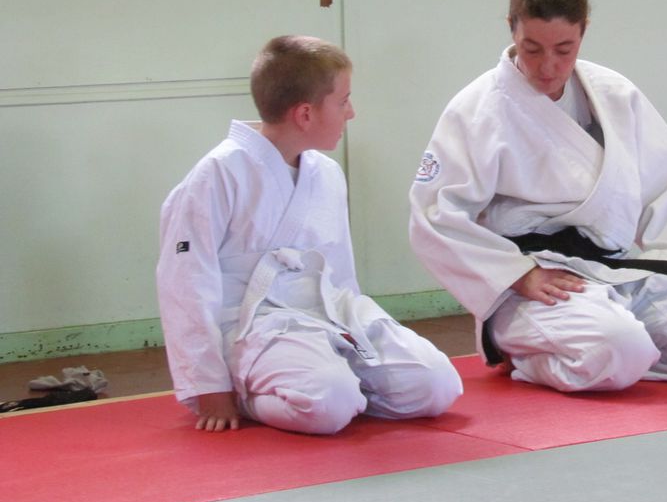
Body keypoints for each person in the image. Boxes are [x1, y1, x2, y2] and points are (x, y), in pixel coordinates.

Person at [409, 0, 667, 393]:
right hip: (536, 281)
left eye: (564, 49)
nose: (547, 66)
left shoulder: (614, 93)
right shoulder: (477, 108)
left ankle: (612, 350)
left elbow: (666, 180)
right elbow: (434, 217)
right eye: (532, 48)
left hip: (615, 268)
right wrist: (517, 275)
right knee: (619, 350)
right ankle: (530, 354)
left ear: (584, 32)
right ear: (511, 28)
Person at [157, 35, 462, 434]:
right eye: (343, 101)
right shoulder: (217, 175)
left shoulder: (327, 175)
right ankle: (257, 390)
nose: (351, 112)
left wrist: (355, 331)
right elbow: (184, 284)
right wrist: (208, 385)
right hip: (253, 326)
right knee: (329, 406)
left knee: (436, 385)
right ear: (305, 114)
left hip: (326, 313)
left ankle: (340, 382)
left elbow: (340, 273)